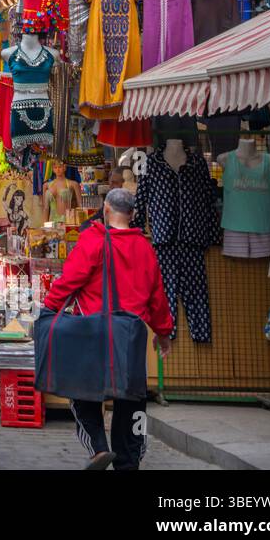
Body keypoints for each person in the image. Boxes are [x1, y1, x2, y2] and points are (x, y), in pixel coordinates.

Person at [44, 188, 174, 470]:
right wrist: (163, 333)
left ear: (105, 209)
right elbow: (157, 296)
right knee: (132, 400)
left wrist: (49, 307)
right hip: (132, 335)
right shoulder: (145, 247)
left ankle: (99, 448)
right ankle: (127, 462)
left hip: (95, 332)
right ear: (133, 215)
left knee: (81, 393)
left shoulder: (92, 240)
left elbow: (70, 280)